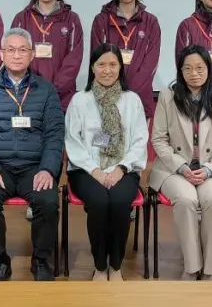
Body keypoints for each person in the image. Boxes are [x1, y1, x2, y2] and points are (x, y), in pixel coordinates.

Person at [0, 28, 64, 282]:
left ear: (32, 55)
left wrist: (47, 169)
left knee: (47, 200)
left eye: (23, 50)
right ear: (1, 54)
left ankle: (40, 259)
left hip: (34, 167)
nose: (17, 55)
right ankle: (1, 260)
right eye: (11, 50)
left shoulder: (46, 90)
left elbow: (55, 135)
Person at [149, 45, 212, 281]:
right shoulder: (168, 97)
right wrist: (180, 166)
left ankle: (210, 269)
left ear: (209, 68)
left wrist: (209, 169)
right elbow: (159, 139)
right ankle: (191, 266)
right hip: (174, 168)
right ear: (180, 71)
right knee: (186, 200)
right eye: (187, 68)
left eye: (199, 68)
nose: (193, 73)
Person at [64, 43, 147, 281]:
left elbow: (140, 140)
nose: (107, 70)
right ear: (92, 68)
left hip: (124, 168)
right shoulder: (80, 100)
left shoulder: (132, 100)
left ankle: (116, 265)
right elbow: (73, 140)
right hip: (85, 170)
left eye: (112, 64)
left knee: (120, 202)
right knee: (99, 202)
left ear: (120, 67)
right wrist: (95, 171)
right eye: (101, 65)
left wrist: (121, 168)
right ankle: (100, 266)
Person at [10, 0, 84, 111]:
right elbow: (14, 56)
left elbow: (73, 60)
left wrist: (54, 90)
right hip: (27, 95)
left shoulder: (71, 19)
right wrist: (29, 87)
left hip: (61, 97)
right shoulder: (21, 18)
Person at [90, 0, 161, 120]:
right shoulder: (102, 20)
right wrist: (114, 90)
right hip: (106, 97)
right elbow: (97, 59)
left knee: (136, 136)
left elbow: (151, 62)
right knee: (104, 134)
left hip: (139, 97)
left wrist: (129, 92)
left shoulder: (151, 22)